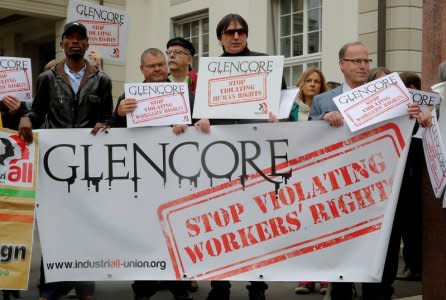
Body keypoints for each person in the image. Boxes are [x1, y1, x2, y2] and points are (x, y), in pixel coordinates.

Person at [309, 41, 426, 300]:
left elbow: (411, 133)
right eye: (356, 61)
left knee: (383, 255)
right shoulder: (323, 100)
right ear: (342, 64)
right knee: (344, 257)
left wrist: (418, 118)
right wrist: (323, 120)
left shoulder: (390, 96)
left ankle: (381, 292)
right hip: (342, 193)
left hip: (383, 191)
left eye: (366, 61)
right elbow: (306, 137)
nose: (363, 66)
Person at [18, 21, 113, 300]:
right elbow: (36, 113)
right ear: (62, 44)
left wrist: (105, 124)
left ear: (86, 44)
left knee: (86, 225)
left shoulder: (102, 79)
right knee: (54, 227)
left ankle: (85, 287)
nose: (75, 42)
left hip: (88, 166)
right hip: (56, 165)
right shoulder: (47, 78)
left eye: (80, 38)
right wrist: (25, 117)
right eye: (69, 38)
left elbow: (106, 117)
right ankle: (49, 287)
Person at [112, 47, 208, 300]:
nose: (157, 69)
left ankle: (180, 288)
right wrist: (119, 113)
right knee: (144, 233)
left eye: (160, 65)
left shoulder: (185, 94)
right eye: (151, 66)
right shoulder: (128, 96)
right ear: (141, 70)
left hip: (177, 177)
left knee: (176, 233)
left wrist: (189, 126)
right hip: (142, 178)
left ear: (167, 67)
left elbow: (202, 125)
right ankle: (142, 288)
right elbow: (114, 132)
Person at [205, 13, 286, 300]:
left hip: (258, 158)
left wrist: (280, 115)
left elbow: (285, 105)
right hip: (221, 160)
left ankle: (258, 285)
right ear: (220, 38)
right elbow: (201, 113)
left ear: (247, 35)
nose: (236, 36)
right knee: (219, 224)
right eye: (229, 32)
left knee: (257, 223)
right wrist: (201, 120)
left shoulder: (266, 65)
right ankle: (220, 284)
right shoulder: (210, 69)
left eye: (240, 31)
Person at [288, 67, 329, 295]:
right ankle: (304, 277)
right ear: (301, 84)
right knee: (301, 224)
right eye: (309, 80)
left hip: (321, 171)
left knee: (321, 223)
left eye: (317, 81)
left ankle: (324, 277)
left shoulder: (328, 107)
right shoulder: (290, 110)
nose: (312, 84)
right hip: (296, 172)